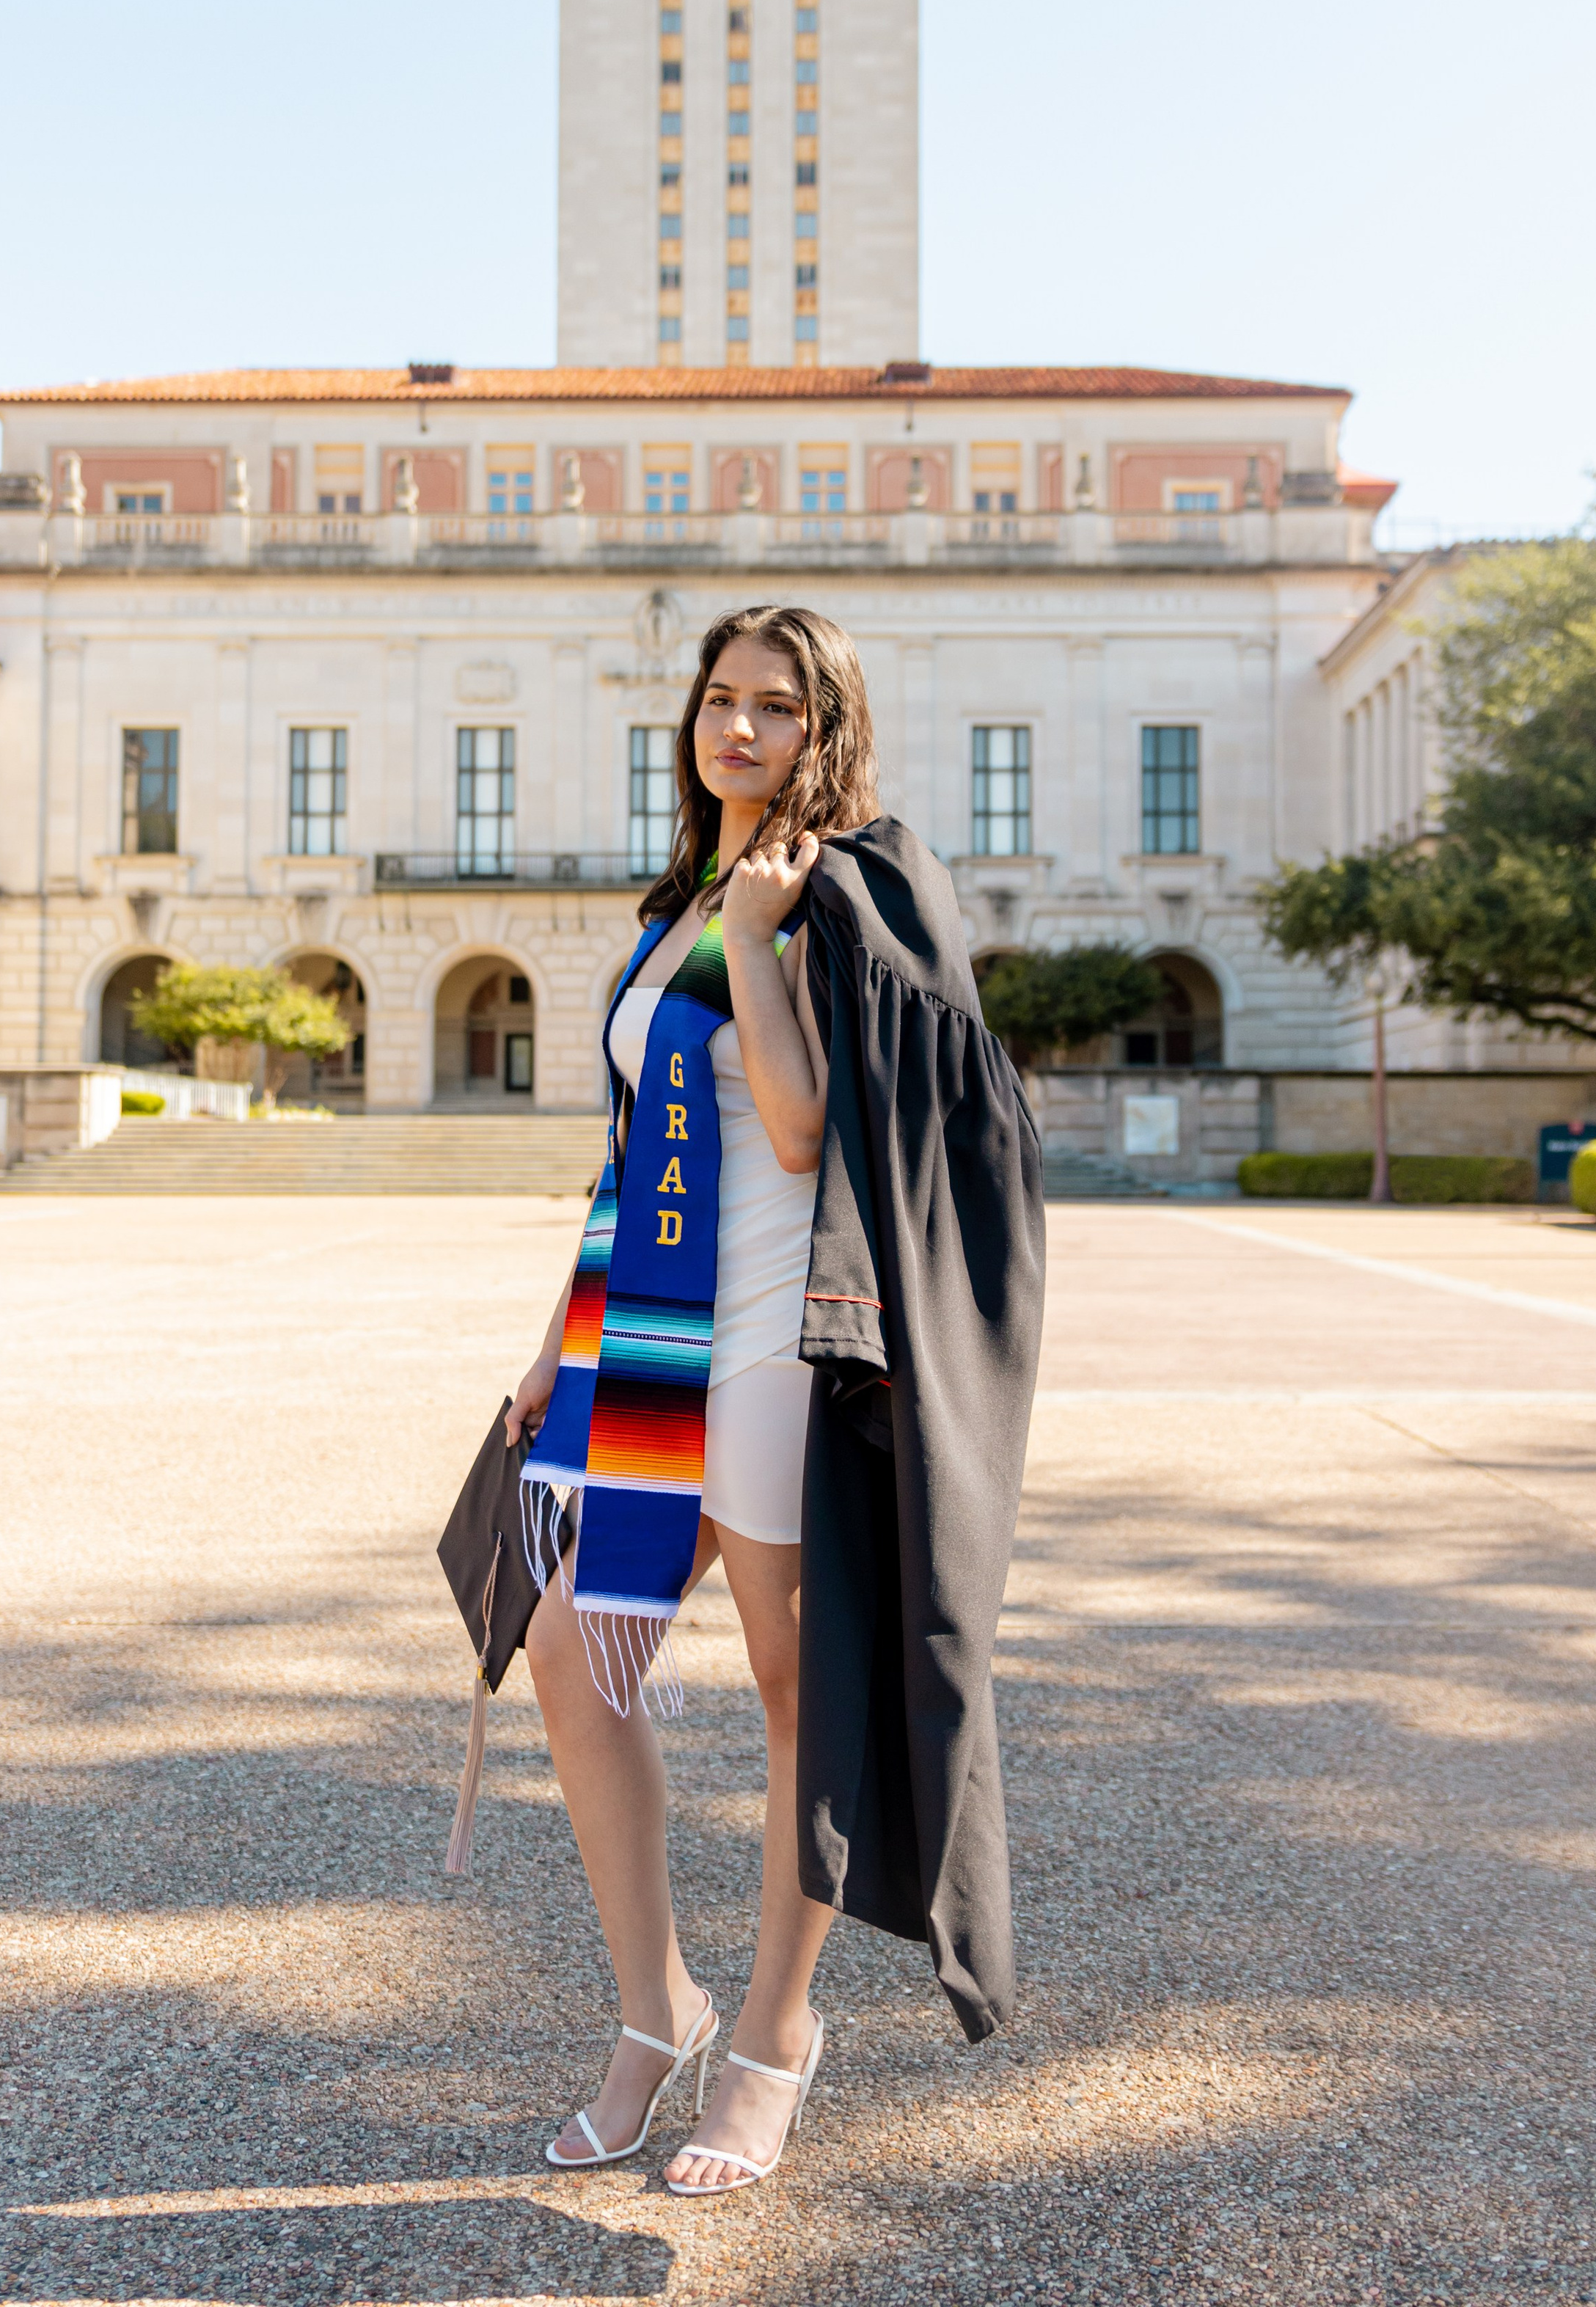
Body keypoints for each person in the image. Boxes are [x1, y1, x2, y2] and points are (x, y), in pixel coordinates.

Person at [507, 603, 1044, 2199]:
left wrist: (755, 940)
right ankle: (654, 2003)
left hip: (770, 1337)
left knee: (791, 1681)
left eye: (778, 707)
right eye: (721, 699)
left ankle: (773, 2032)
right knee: (565, 1652)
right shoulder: (677, 898)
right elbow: (632, 1150)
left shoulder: (827, 897)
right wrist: (552, 1342)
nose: (740, 728)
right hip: (649, 1338)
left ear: (828, 729)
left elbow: (802, 1132)